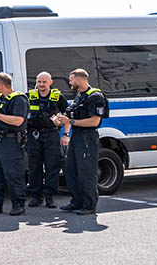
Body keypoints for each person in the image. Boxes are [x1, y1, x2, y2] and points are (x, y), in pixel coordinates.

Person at [54, 68, 108, 215]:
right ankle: (76, 201)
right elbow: (71, 113)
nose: (70, 83)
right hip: (77, 135)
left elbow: (94, 121)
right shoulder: (79, 96)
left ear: (78, 80)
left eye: (71, 80)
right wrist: (62, 119)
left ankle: (89, 205)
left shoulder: (95, 96)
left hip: (87, 137)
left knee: (86, 172)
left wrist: (71, 121)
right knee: (70, 169)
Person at [0, 72, 30, 215]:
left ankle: (18, 204)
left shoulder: (18, 99)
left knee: (13, 174)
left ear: (2, 85)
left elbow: (18, 120)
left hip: (11, 141)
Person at [25, 71, 68, 208]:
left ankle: (49, 196)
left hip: (51, 135)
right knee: (34, 167)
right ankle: (36, 196)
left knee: (52, 166)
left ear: (50, 82)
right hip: (34, 135)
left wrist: (65, 134)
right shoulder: (29, 96)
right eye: (39, 82)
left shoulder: (58, 97)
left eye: (44, 82)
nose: (41, 85)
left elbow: (67, 116)